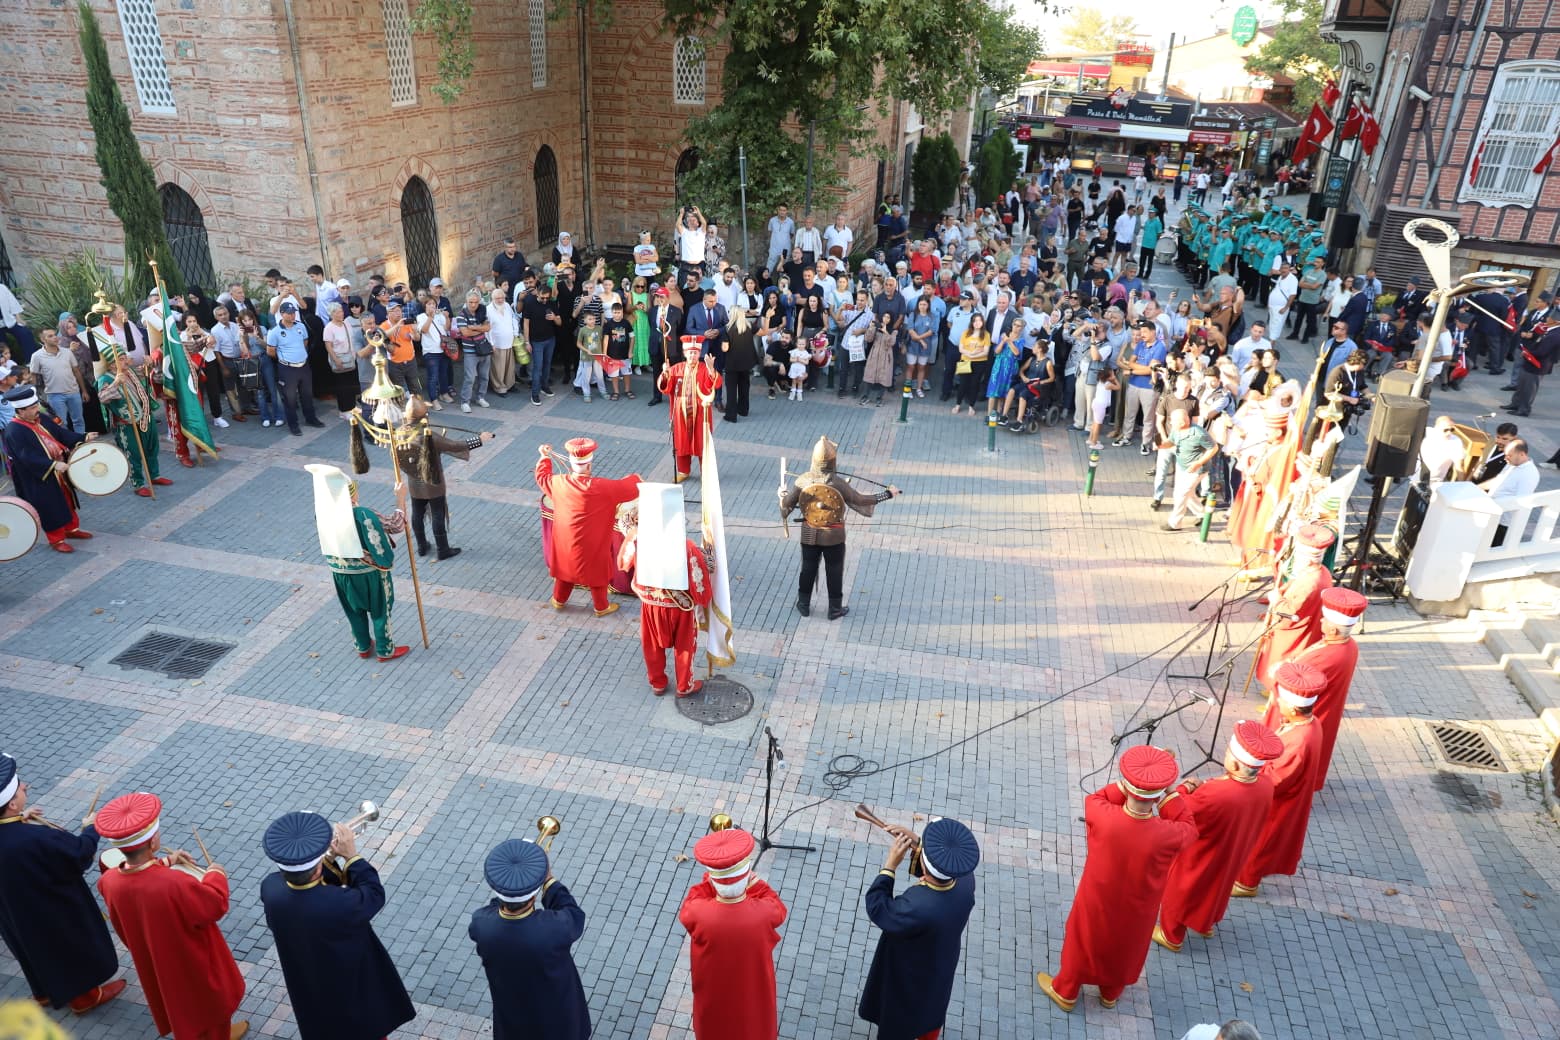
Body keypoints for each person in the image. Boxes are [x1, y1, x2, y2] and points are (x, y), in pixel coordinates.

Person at [1036, 745, 1196, 1013]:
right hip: (1138, 909)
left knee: (1084, 941)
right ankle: (1110, 993)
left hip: (1096, 900)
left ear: (1128, 787)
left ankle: (1066, 991)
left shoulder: (1104, 815)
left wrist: (1138, 775)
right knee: (1125, 947)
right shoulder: (1166, 834)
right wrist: (1168, 791)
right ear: (1156, 799)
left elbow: (1097, 798)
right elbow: (1190, 829)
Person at [94, 792, 247, 1040]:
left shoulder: (108, 881)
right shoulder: (175, 883)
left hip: (153, 958)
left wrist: (166, 861)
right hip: (190, 958)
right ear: (153, 841)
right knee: (209, 1008)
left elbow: (139, 883)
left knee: (180, 1007)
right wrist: (215, 874)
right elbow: (214, 905)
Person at [260, 811, 416, 1040]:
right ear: (317, 869)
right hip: (350, 988)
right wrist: (351, 856)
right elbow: (373, 893)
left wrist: (327, 859)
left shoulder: (271, 888)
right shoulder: (339, 904)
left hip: (308, 984)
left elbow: (310, 887)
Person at [0, 753, 124, 1015]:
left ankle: (43, 992)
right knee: (67, 944)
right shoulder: (36, 838)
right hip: (48, 906)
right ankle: (84, 996)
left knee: (28, 945)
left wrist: (20, 818)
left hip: (10, 908)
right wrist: (92, 828)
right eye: (19, 785)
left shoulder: (21, 832)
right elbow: (79, 854)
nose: (24, 787)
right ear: (11, 804)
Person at [1153, 722, 1283, 952]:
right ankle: (1204, 923)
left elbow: (1181, 810)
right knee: (1215, 888)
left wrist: (1184, 787)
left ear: (1234, 762)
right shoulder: (1264, 784)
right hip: (1234, 849)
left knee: (1181, 887)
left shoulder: (1218, 793)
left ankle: (1170, 934)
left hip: (1204, 850)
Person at [858, 817, 980, 1040]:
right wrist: (916, 840)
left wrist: (890, 866)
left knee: (899, 1022)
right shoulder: (964, 881)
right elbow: (938, 869)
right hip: (940, 966)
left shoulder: (917, 906)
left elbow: (879, 908)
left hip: (908, 975)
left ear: (924, 865)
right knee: (931, 1012)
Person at [468, 837, 590, 1040]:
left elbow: (493, 907)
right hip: (559, 1022)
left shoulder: (481, 923)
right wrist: (549, 880)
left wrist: (512, 881)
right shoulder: (553, 928)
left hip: (512, 1019)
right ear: (533, 897)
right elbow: (573, 913)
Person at [677, 827, 787, 1040]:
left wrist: (712, 879)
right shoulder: (763, 914)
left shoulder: (699, 912)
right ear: (746, 877)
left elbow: (694, 897)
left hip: (714, 998)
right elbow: (777, 905)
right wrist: (754, 883)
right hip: (752, 998)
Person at [1233, 661, 1329, 897]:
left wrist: (1245, 773)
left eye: (1281, 700)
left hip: (1278, 803)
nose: (1276, 702)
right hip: (1287, 796)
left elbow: (1276, 780)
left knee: (1262, 840)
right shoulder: (1309, 724)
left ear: (1295, 709)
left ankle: (1247, 883)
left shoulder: (1298, 741)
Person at [780, 435, 899, 620]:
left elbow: (786, 505)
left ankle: (803, 604)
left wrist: (782, 496)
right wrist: (887, 494)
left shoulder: (803, 480)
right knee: (834, 570)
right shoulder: (838, 483)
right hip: (834, 536)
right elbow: (860, 499)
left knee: (808, 568)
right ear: (832, 461)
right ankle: (834, 609)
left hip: (809, 532)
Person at [1264, 586, 1367, 791]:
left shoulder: (1328, 654)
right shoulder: (1348, 645)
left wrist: (1278, 671)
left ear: (1333, 630)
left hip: (1310, 710)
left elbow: (1296, 681)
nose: (1320, 620)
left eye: (1325, 620)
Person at [306, 463, 410, 662]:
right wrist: (400, 498)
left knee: (354, 610)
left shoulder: (322, 514)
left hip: (341, 574)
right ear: (352, 495)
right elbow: (396, 525)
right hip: (369, 573)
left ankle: (362, 646)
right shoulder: (363, 513)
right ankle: (385, 649)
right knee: (380, 610)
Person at [617, 484, 714, 697]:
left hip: (651, 603)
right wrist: (709, 548)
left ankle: (658, 683)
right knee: (685, 646)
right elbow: (708, 566)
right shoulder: (687, 546)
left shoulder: (638, 538)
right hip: (680, 606)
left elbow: (623, 562)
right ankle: (684, 685)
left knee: (651, 645)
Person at [535, 438, 642, 615]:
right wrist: (635, 478)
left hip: (566, 541)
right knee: (596, 573)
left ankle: (558, 599)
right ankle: (601, 606)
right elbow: (630, 487)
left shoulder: (559, 483)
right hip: (593, 542)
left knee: (565, 568)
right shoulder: (603, 487)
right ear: (589, 466)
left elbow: (541, 476)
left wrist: (544, 457)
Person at [384, 396, 494, 560]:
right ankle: (443, 549)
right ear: (424, 417)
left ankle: (421, 546)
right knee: (437, 513)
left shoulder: (399, 434)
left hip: (414, 482)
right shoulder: (430, 436)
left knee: (417, 513)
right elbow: (455, 446)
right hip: (434, 483)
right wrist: (480, 439)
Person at [1, 385, 93, 551]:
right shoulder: (13, 430)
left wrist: (83, 437)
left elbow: (60, 433)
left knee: (67, 499)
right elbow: (26, 457)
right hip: (37, 475)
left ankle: (72, 529)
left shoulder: (41, 418)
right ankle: (56, 540)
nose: (38, 409)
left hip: (57, 469)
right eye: (33, 407)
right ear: (21, 411)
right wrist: (52, 464)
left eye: (36, 405)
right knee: (49, 506)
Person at [1255, 523, 1335, 687]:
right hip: (1308, 624)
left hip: (1298, 630)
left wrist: (1276, 599)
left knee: (1282, 659)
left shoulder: (1310, 582)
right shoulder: (1319, 571)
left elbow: (1290, 613)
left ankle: (1276, 689)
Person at [93, 337, 169, 498]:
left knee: (152, 448)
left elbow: (152, 377)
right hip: (126, 423)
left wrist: (151, 365)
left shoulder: (131, 371)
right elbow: (102, 397)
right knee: (133, 453)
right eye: (121, 359)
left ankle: (154, 475)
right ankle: (138, 483)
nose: (126, 360)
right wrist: (115, 383)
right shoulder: (105, 379)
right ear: (112, 364)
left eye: (124, 357)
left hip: (146, 417)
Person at [658, 337, 722, 483]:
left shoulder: (704, 369)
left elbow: (716, 384)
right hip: (680, 414)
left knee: (702, 443)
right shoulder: (676, 369)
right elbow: (665, 388)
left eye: (695, 353)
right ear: (685, 353)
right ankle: (683, 471)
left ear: (699, 353)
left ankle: (706, 472)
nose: (692, 356)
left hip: (701, 414)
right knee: (681, 442)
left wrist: (711, 370)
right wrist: (665, 374)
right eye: (690, 353)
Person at [266, 302, 326, 435]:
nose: (292, 315)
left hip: (303, 366)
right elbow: (270, 351)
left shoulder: (301, 326)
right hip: (287, 369)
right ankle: (293, 425)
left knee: (307, 395)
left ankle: (311, 418)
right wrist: (285, 358)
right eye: (289, 313)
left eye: (293, 312)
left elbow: (305, 342)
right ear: (282, 314)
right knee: (290, 399)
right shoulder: (274, 332)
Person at [1484, 438, 1539, 547]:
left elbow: (1520, 502)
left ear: (1522, 454)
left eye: (1509, 455)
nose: (1505, 458)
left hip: (1503, 523)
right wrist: (1477, 488)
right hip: (1493, 515)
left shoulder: (1529, 474)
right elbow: (1498, 481)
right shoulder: (1512, 463)